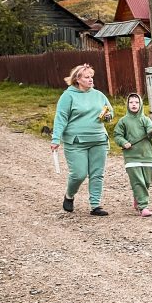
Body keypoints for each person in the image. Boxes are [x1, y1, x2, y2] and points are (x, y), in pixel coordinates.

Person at [50, 64, 114, 216]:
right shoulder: (68, 96)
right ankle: (69, 195)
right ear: (77, 79)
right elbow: (61, 118)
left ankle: (95, 205)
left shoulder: (99, 95)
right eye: (87, 77)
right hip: (76, 142)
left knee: (97, 174)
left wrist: (108, 116)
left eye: (91, 76)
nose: (90, 79)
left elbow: (110, 111)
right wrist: (56, 138)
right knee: (78, 174)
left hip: (99, 140)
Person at [113, 93, 152, 217]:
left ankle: (138, 198)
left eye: (136, 102)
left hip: (147, 155)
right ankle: (143, 207)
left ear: (141, 104)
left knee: (147, 182)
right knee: (138, 181)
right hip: (132, 157)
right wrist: (124, 142)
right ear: (127, 105)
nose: (134, 104)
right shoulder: (123, 121)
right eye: (131, 102)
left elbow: (151, 134)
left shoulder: (145, 119)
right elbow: (117, 135)